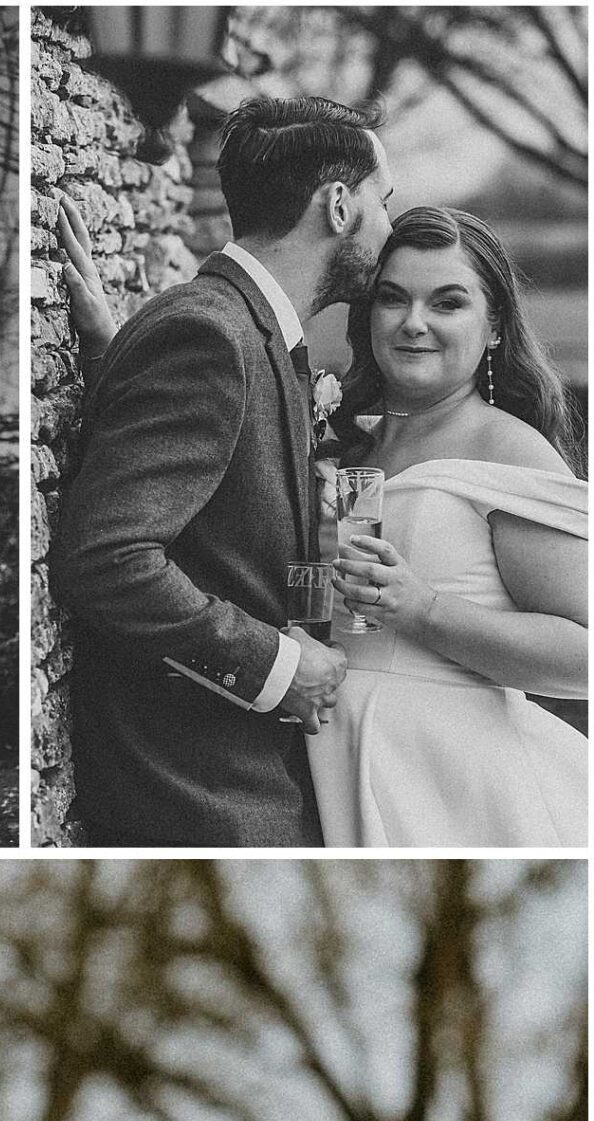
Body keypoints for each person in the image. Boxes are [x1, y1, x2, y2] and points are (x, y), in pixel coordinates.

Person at [59, 194, 587, 849]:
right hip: (315, 757)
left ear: (497, 325)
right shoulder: (339, 441)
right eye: (393, 298)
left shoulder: (509, 449)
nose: (413, 322)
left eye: (447, 302)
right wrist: (119, 362)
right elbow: (215, 493)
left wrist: (420, 611)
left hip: (446, 779)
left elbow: (582, 659)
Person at [50, 94, 394, 847]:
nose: (390, 228)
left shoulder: (245, 330)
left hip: (257, 772)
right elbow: (107, 560)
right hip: (200, 792)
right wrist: (276, 668)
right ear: (338, 205)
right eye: (383, 202)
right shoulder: (211, 333)